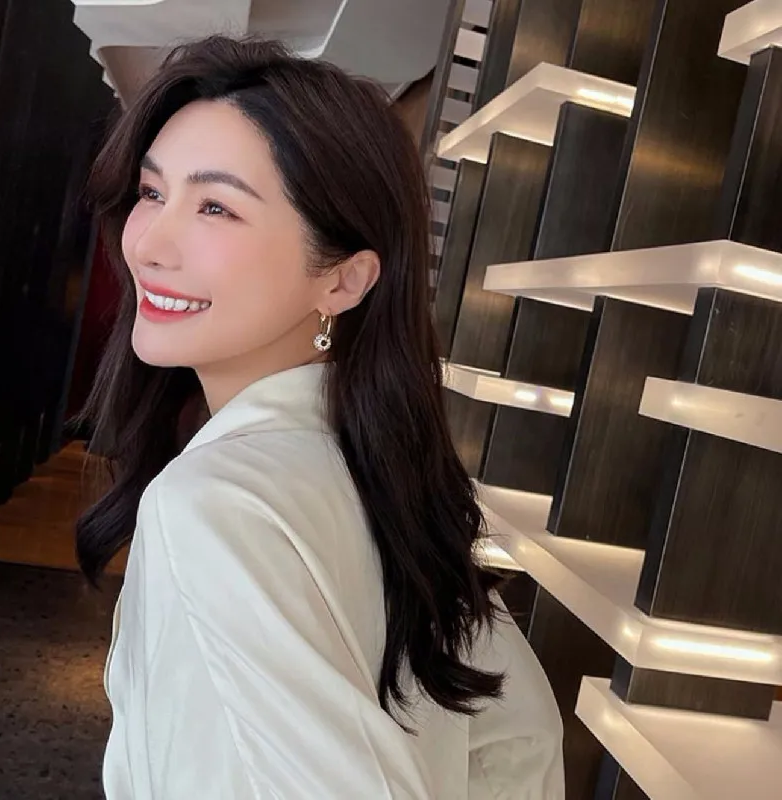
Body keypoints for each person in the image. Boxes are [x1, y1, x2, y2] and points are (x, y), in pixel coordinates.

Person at [76, 35, 564, 799]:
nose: (150, 245)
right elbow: (521, 741)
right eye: (150, 193)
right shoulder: (386, 478)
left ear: (342, 280)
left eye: (215, 206)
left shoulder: (216, 506)